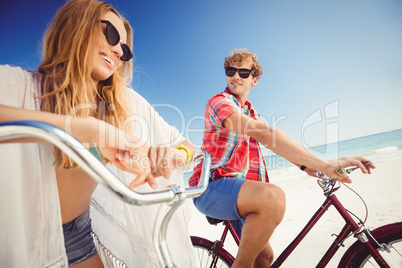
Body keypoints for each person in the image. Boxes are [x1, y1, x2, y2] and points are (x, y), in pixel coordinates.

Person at [0, 0, 195, 267]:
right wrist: (90, 129)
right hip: (18, 236)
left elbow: (185, 146)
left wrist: (172, 155)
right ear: (76, 26)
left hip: (78, 234)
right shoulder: (24, 86)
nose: (117, 50)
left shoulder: (122, 102)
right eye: (111, 35)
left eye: (124, 49)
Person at [189, 48, 375, 268]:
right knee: (273, 199)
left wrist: (307, 167)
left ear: (254, 79)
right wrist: (326, 165)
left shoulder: (250, 111)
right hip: (211, 187)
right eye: (231, 70)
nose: (236, 76)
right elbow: (265, 134)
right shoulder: (219, 102)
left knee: (265, 258)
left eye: (244, 72)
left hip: (240, 190)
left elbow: (273, 144)